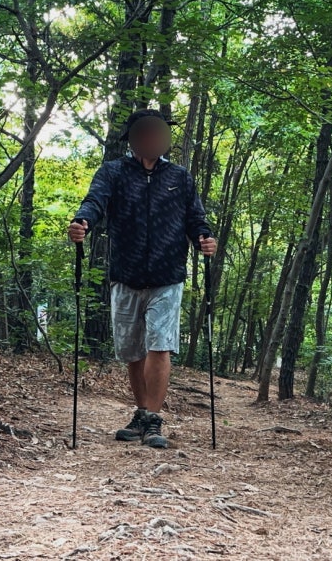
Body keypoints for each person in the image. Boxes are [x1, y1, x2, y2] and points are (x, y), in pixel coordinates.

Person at [68, 108, 217, 449]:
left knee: (159, 345)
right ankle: (141, 413)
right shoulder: (114, 172)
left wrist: (205, 238)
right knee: (133, 351)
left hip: (168, 275)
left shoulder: (180, 177)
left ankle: (152, 420)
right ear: (133, 138)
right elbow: (95, 201)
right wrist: (82, 222)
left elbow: (196, 218)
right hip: (125, 274)